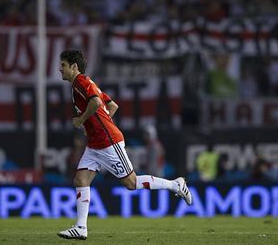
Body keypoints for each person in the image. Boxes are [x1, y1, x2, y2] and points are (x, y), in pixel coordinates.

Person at [57, 50, 192, 240]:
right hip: (96, 142)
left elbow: (96, 103)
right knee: (80, 180)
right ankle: (81, 227)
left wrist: (81, 120)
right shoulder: (86, 84)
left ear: (74, 66)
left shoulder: (81, 82)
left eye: (63, 65)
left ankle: (176, 185)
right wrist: (94, 124)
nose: (59, 69)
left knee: (131, 183)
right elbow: (112, 106)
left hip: (107, 141)